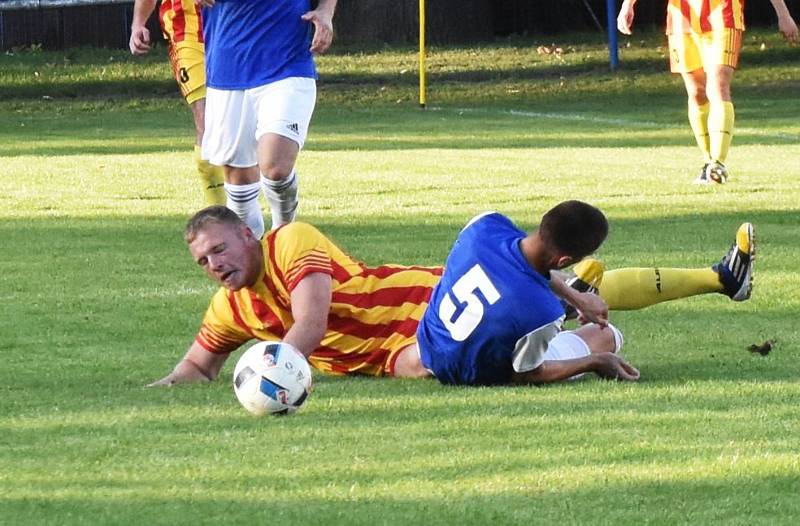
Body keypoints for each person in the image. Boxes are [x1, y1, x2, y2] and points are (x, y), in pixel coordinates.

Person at [151, 203, 755, 387]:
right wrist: (159, 392)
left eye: (220, 250)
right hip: (395, 356)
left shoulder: (289, 241)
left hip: (427, 302)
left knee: (563, 316)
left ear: (249, 234)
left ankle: (704, 283)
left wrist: (271, 377)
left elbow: (308, 321)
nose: (214, 265)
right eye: (203, 261)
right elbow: (197, 364)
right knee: (569, 297)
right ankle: (711, 280)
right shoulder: (230, 307)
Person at [196, 0, 337, 239]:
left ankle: (283, 237)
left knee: (275, 167)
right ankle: (256, 267)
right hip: (227, 67)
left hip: (287, 64)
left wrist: (326, 12)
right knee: (239, 183)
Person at [617, 0, 799, 184]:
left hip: (724, 15)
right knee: (696, 92)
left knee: (718, 85)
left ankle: (718, 163)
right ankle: (708, 162)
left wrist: (783, 14)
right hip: (682, 18)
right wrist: (628, 5)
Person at [129, 0, 226, 206]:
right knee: (208, 124)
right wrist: (138, 23)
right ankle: (219, 215)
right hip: (187, 32)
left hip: (236, 24)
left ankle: (251, 210)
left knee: (242, 127)